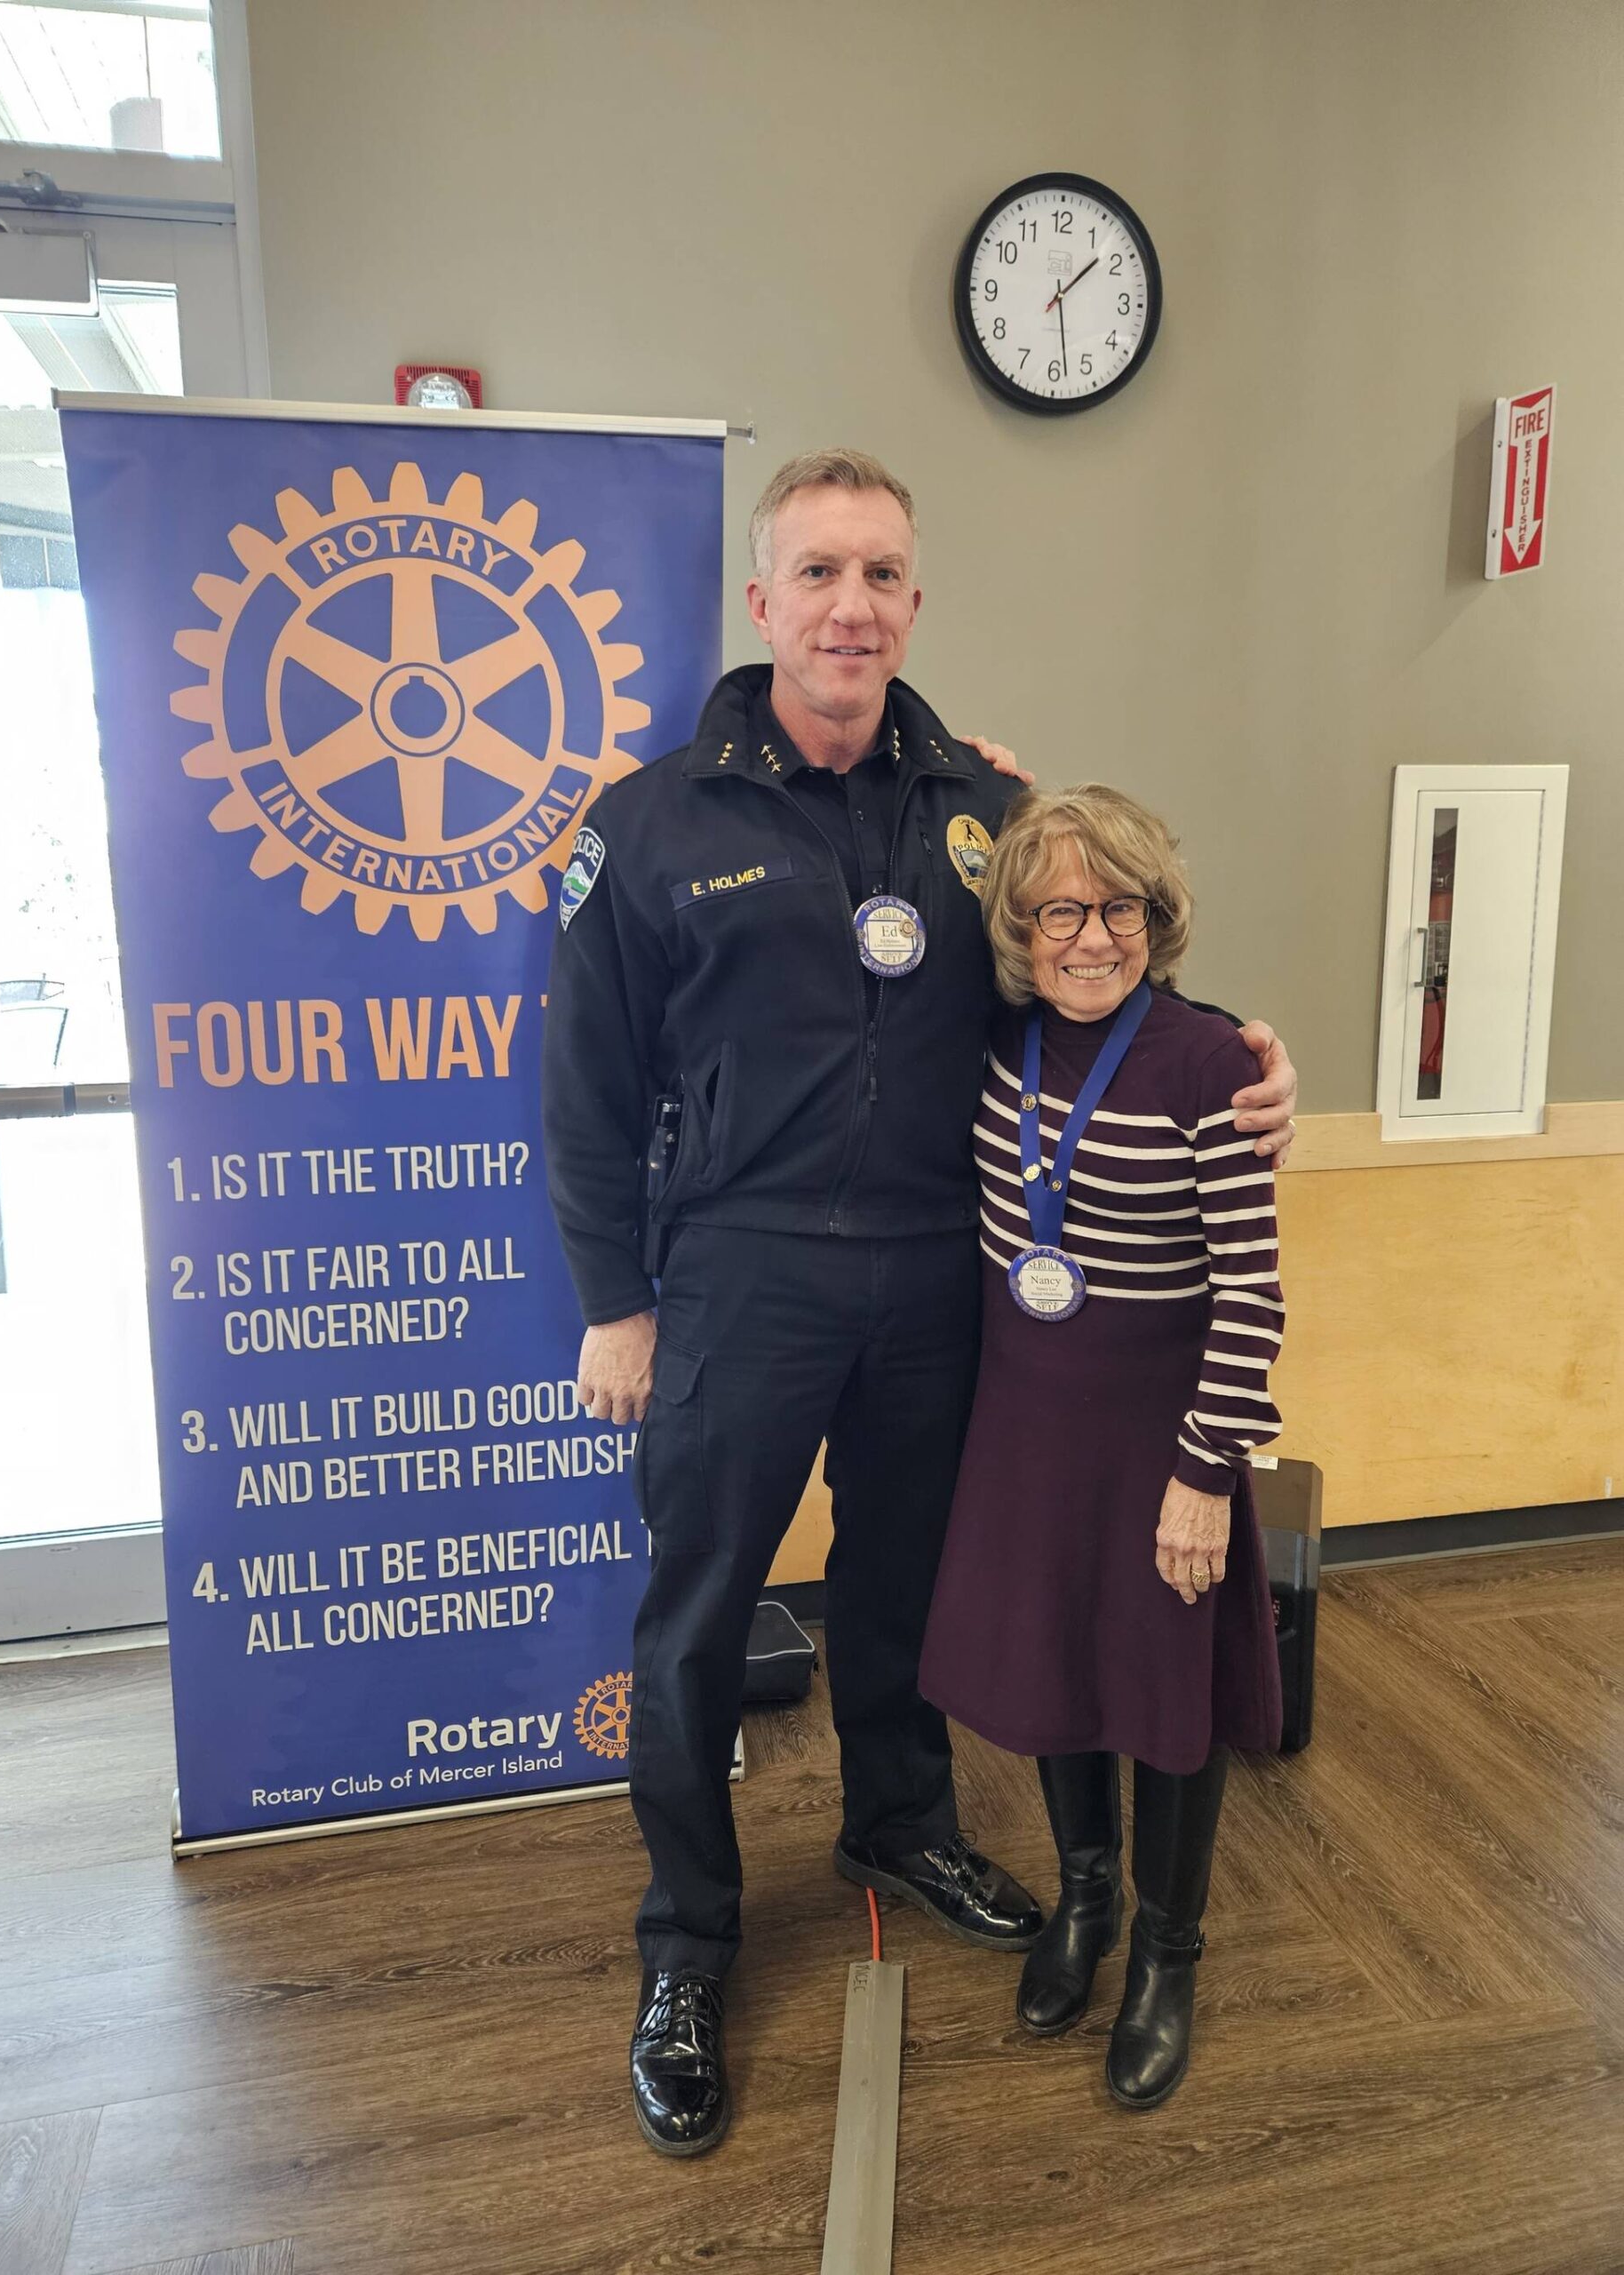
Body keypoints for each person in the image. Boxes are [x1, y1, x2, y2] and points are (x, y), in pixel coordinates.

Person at [540, 449, 1297, 2156]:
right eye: (818, 573)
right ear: (762, 602)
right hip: (737, 1274)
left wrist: (1247, 1057)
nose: (850, 606)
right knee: (703, 1614)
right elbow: (581, 1085)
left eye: (880, 575)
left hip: (943, 1275)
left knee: (901, 1581)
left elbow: (1091, 968)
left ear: (914, 602)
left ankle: (899, 1820)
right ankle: (688, 1947)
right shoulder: (648, 825)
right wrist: (613, 1297)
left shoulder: (982, 812)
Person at [918, 783, 1286, 2112]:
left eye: (1117, 906)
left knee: (1167, 1712)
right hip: (1026, 1432)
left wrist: (1204, 1478)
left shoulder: (1210, 1064)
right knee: (1060, 1676)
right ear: (1018, 926)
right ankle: (1083, 1905)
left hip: (1158, 1447)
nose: (1091, 936)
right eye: (1060, 908)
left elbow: (1253, 1294)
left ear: (1155, 913)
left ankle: (1166, 1961)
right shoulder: (996, 1044)